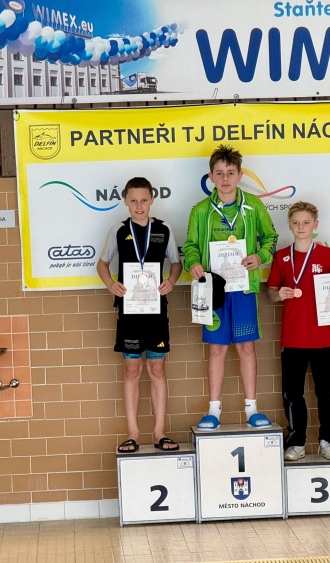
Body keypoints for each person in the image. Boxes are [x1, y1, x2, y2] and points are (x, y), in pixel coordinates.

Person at [183, 144, 279, 431]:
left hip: (244, 289)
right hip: (213, 291)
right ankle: (213, 411)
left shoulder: (254, 206)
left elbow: (271, 238)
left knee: (246, 347)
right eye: (219, 173)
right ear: (211, 176)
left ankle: (252, 410)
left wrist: (260, 256)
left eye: (230, 172)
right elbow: (190, 246)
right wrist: (193, 263)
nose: (225, 178)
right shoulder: (201, 210)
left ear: (240, 175)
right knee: (217, 349)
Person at [267, 202, 330, 461]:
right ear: (289, 225)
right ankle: (296, 442)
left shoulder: (327, 255)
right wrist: (278, 295)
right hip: (293, 336)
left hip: (323, 336)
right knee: (292, 394)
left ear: (315, 225)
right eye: (296, 222)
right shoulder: (281, 257)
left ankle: (329, 441)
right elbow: (271, 291)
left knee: (327, 394)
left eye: (306, 222)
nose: (301, 227)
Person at [97, 177, 182, 453]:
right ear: (125, 201)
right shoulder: (118, 230)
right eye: (133, 201)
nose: (139, 205)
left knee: (157, 368)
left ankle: (159, 432)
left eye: (144, 200)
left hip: (156, 310)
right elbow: (102, 264)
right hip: (129, 311)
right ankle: (132, 433)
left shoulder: (164, 229)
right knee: (131, 369)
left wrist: (171, 281)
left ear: (152, 200)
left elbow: (176, 263)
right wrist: (111, 284)